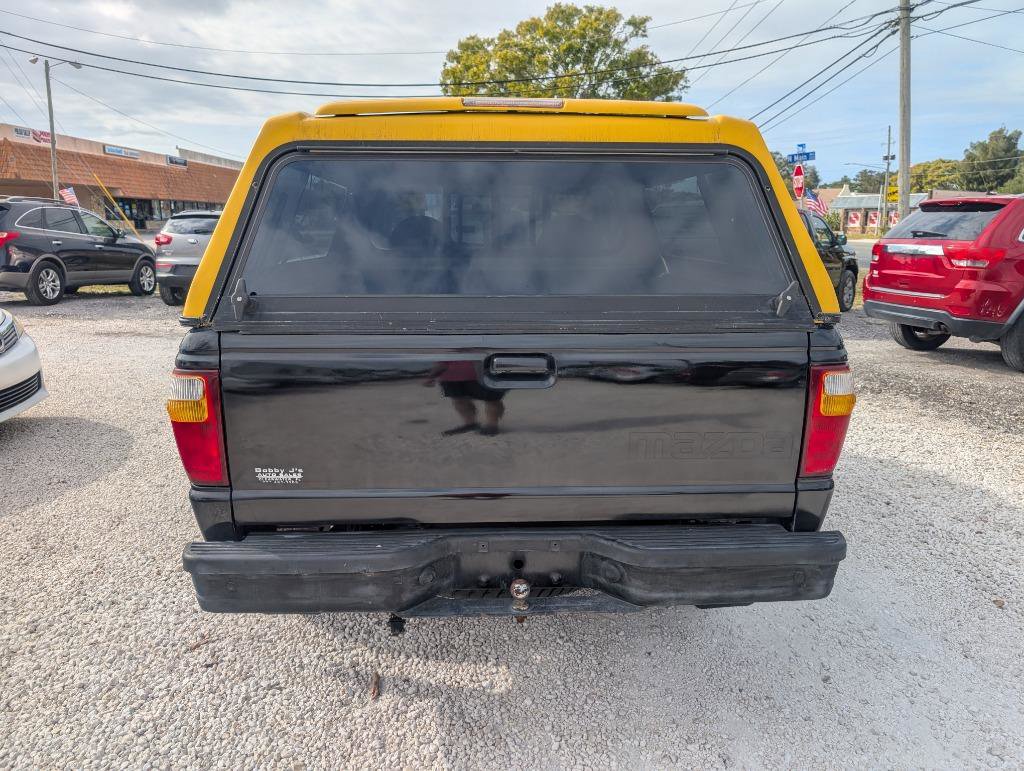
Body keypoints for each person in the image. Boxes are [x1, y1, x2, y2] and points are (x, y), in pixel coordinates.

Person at [424, 360, 506, 436]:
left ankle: (492, 426)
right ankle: (470, 424)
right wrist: (431, 376)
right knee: (459, 400)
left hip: (480, 373)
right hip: (450, 376)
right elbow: (441, 362)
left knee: (492, 399)